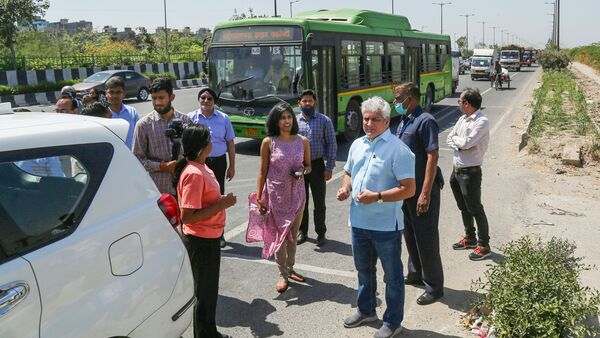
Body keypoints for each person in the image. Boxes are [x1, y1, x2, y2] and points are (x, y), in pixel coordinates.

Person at [337, 96, 415, 338]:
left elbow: (409, 188)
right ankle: (366, 310)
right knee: (364, 271)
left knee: (392, 277)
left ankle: (392, 322)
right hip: (358, 222)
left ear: (387, 121)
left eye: (375, 119)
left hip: (385, 227)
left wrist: (378, 196)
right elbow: (348, 172)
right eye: (366, 119)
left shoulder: (399, 150)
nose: (369, 123)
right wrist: (345, 187)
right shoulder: (358, 144)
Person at [174, 124, 237, 338]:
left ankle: (210, 332)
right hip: (200, 240)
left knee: (209, 293)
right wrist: (222, 204)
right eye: (209, 138)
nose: (212, 140)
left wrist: (220, 201)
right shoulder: (193, 173)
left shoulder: (202, 167)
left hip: (209, 237)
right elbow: (188, 215)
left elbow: (203, 202)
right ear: (203, 146)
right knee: (204, 294)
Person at [392, 83, 444, 306]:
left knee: (426, 238)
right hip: (407, 190)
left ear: (410, 98)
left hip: (422, 190)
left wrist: (425, 193)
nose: (395, 103)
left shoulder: (425, 121)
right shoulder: (405, 120)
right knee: (410, 234)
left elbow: (432, 157)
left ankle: (434, 287)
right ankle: (415, 273)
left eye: (398, 98)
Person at [256, 102, 311, 293]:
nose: (287, 121)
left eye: (289, 117)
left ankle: (291, 267)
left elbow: (308, 166)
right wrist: (259, 196)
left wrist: (302, 171)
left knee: (292, 237)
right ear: (276, 121)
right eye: (282, 118)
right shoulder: (268, 142)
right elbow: (262, 171)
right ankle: (282, 273)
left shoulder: (302, 140)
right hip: (275, 196)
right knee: (279, 236)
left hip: (297, 195)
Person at [188, 87, 236, 248]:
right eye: (203, 98)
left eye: (209, 98)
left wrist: (232, 166)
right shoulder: (191, 118)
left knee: (217, 198)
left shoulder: (223, 118)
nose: (206, 101)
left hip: (218, 163)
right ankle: (200, 231)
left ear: (215, 101)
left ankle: (219, 234)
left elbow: (230, 142)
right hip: (198, 164)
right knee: (198, 199)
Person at [447, 88, 491, 261]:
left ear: (467, 103)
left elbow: (467, 143)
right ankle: (470, 238)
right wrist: (459, 143)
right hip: (456, 170)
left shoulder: (482, 121)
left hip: (470, 172)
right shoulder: (462, 119)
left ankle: (484, 245)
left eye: (460, 100)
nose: (458, 103)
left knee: (475, 208)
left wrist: (458, 143)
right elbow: (450, 137)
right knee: (463, 207)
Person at [133, 78, 192, 195]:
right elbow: (137, 160)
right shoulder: (143, 125)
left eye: (161, 98)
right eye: (154, 98)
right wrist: (163, 166)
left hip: (185, 188)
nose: (157, 102)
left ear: (172, 97)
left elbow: (194, 154)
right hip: (158, 192)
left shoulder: (186, 121)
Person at [296, 89, 337, 247]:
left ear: (315, 103)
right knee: (301, 201)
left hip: (318, 165)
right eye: (304, 101)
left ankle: (321, 233)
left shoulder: (324, 121)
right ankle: (302, 231)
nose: (307, 103)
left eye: (310, 101)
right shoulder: (294, 121)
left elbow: (331, 144)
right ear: (299, 102)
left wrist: (329, 167)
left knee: (319, 202)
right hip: (299, 166)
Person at [106, 76, 139, 149]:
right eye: (111, 92)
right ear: (106, 94)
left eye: (118, 92)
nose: (114, 96)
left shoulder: (132, 112)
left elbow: (139, 135)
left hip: (132, 156)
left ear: (124, 94)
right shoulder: (102, 115)